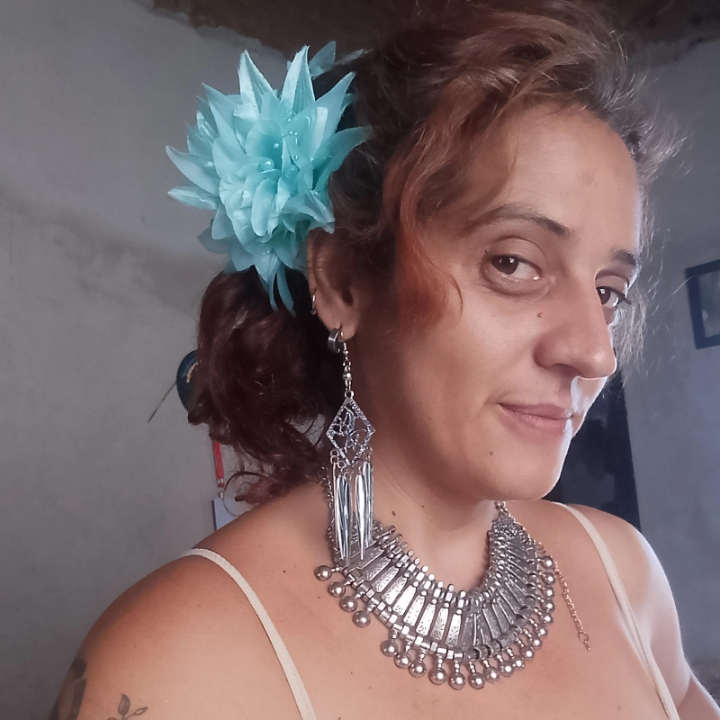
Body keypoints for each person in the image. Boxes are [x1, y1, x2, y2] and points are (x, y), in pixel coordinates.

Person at [50, 0, 720, 718]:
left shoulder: (625, 577)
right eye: (513, 263)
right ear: (343, 281)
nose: (594, 352)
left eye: (609, 291)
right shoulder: (174, 666)